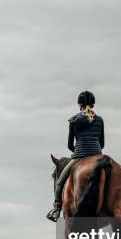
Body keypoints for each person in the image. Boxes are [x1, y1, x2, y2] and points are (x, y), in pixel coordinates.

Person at [46, 90, 104, 222]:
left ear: (80, 105)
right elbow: (102, 143)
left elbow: (69, 145)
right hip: (98, 155)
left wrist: (78, 150)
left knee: (60, 182)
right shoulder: (100, 120)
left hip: (79, 155)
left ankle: (56, 209)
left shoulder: (74, 120)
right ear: (93, 104)